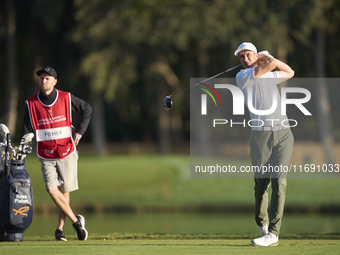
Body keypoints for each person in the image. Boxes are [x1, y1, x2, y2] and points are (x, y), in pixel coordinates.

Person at [21, 67, 92, 241]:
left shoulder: (66, 97)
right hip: (46, 154)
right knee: (52, 189)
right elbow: (26, 128)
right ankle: (76, 222)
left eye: (47, 78)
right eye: (41, 78)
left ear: (55, 82)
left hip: (66, 150)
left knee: (64, 190)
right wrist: (24, 145)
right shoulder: (31, 103)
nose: (43, 81)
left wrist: (80, 132)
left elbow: (87, 109)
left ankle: (60, 230)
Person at [234, 42, 295, 246]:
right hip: (260, 136)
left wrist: (268, 58)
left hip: (283, 133)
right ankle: (263, 225)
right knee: (261, 184)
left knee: (280, 182)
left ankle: (273, 234)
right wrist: (264, 58)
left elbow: (290, 71)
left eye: (248, 54)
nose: (245, 58)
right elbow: (268, 65)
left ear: (255, 54)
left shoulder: (267, 74)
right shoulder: (242, 77)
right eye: (241, 56)